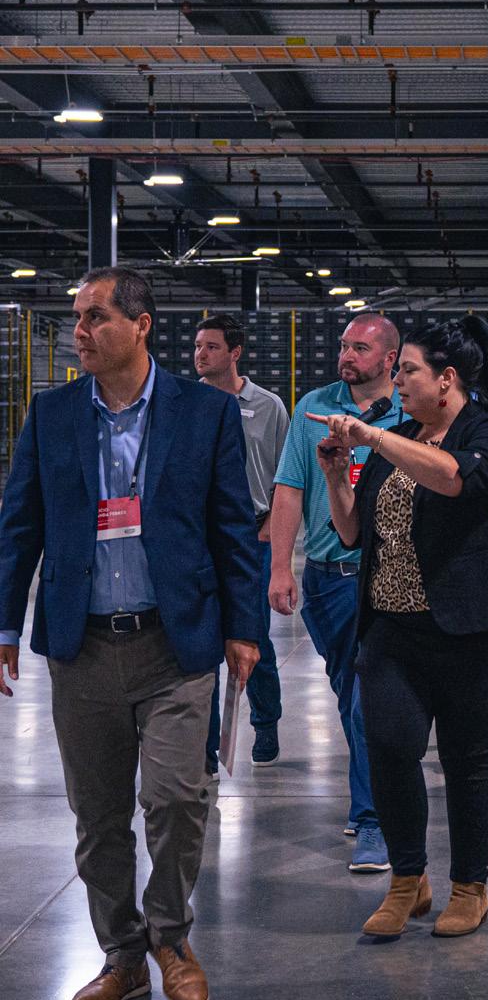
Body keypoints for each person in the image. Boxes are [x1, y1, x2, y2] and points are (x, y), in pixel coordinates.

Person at [0, 267, 261, 1000]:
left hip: (174, 642)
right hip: (81, 647)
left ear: (141, 324)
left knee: (177, 798)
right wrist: (6, 621)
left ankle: (171, 936)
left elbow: (233, 527)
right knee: (99, 816)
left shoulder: (205, 411)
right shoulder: (52, 413)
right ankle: (123, 955)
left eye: (95, 317)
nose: (79, 331)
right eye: (78, 316)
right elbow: (19, 523)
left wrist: (245, 628)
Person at [311, 314, 488, 939]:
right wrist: (336, 475)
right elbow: (354, 533)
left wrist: (374, 440)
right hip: (392, 630)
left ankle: (470, 886)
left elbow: (453, 477)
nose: (399, 381)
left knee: (469, 760)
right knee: (388, 749)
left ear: (446, 378)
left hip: (476, 632)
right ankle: (408, 881)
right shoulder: (399, 436)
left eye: (408, 370)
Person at [269, 312, 403, 872]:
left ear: (390, 358)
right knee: (350, 692)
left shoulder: (407, 412)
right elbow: (289, 490)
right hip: (328, 580)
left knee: (367, 697)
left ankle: (373, 818)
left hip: (386, 577)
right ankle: (375, 795)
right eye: (344, 346)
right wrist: (281, 567)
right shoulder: (314, 408)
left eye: (360, 348)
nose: (346, 355)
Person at [194, 313, 289, 769]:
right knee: (202, 641)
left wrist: (272, 528)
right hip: (200, 536)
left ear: (235, 352)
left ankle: (266, 722)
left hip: (253, 535)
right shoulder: (186, 402)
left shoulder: (268, 406)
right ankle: (207, 744)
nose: (201, 354)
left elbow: (288, 475)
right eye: (198, 346)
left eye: (211, 346)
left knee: (253, 636)